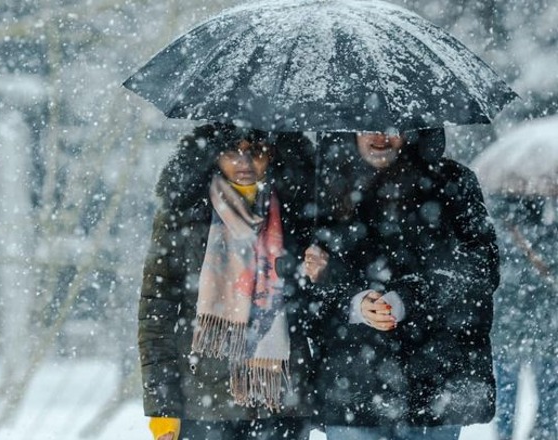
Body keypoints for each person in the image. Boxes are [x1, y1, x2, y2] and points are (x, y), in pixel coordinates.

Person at [305, 129, 499, 440]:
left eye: (394, 125)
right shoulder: (323, 186)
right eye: (368, 125)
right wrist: (351, 301)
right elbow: (298, 287)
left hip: (435, 383)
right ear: (347, 128)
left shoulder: (451, 183)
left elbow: (480, 271)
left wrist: (409, 299)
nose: (381, 135)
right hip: (353, 387)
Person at [138, 123, 318, 440]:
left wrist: (314, 273)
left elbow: (319, 309)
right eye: (232, 151)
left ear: (273, 153)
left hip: (282, 401)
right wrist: (163, 411)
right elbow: (156, 312)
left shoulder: (301, 212)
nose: (244, 163)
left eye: (256, 151)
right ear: (213, 154)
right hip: (204, 404)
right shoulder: (184, 212)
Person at [488, 193, 558, 440]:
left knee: (506, 388)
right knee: (550, 385)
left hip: (507, 322)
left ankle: (505, 434)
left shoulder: (496, 226)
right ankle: (546, 433)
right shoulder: (550, 229)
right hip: (546, 322)